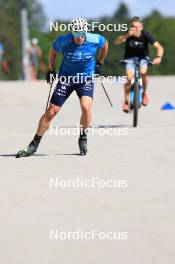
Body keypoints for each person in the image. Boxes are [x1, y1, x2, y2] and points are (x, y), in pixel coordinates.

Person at [16, 18, 108, 158]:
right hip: (66, 78)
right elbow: (53, 51)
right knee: (52, 112)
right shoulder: (63, 41)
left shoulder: (95, 39)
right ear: (71, 33)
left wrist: (100, 62)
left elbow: (105, 44)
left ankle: (83, 137)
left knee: (86, 107)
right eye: (76, 35)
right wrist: (51, 69)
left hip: (85, 79)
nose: (79, 38)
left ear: (85, 32)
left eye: (81, 34)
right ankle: (33, 144)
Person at [115, 16, 164, 112]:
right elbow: (117, 42)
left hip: (143, 58)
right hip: (130, 58)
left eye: (136, 26)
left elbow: (159, 47)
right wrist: (126, 36)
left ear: (141, 27)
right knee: (128, 77)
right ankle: (126, 101)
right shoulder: (128, 33)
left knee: (143, 72)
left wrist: (158, 57)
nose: (134, 29)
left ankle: (145, 93)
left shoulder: (145, 34)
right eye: (132, 26)